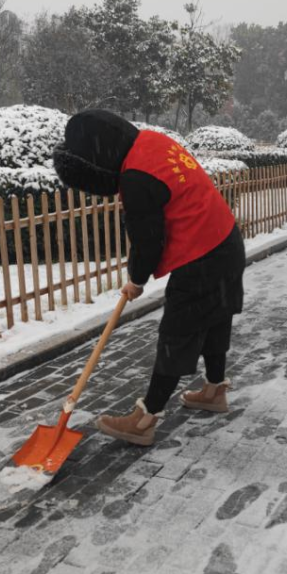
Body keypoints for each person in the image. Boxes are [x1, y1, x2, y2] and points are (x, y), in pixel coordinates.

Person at [52, 110, 245, 446]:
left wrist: (136, 279)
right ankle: (214, 391)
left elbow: (148, 241)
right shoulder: (153, 142)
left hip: (201, 256)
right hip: (226, 241)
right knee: (216, 318)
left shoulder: (136, 178)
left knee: (177, 333)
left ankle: (145, 420)